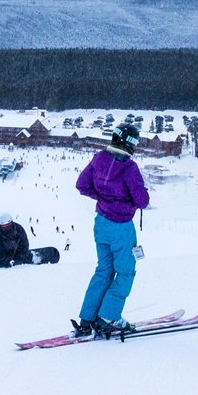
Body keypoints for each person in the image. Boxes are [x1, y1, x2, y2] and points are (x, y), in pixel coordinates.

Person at [72, 123, 150, 335]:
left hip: (101, 223)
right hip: (121, 227)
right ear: (131, 143)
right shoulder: (129, 168)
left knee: (103, 269)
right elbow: (142, 201)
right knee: (125, 272)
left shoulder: (99, 159)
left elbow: (82, 185)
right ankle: (109, 315)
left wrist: (104, 198)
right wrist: (123, 201)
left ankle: (87, 318)